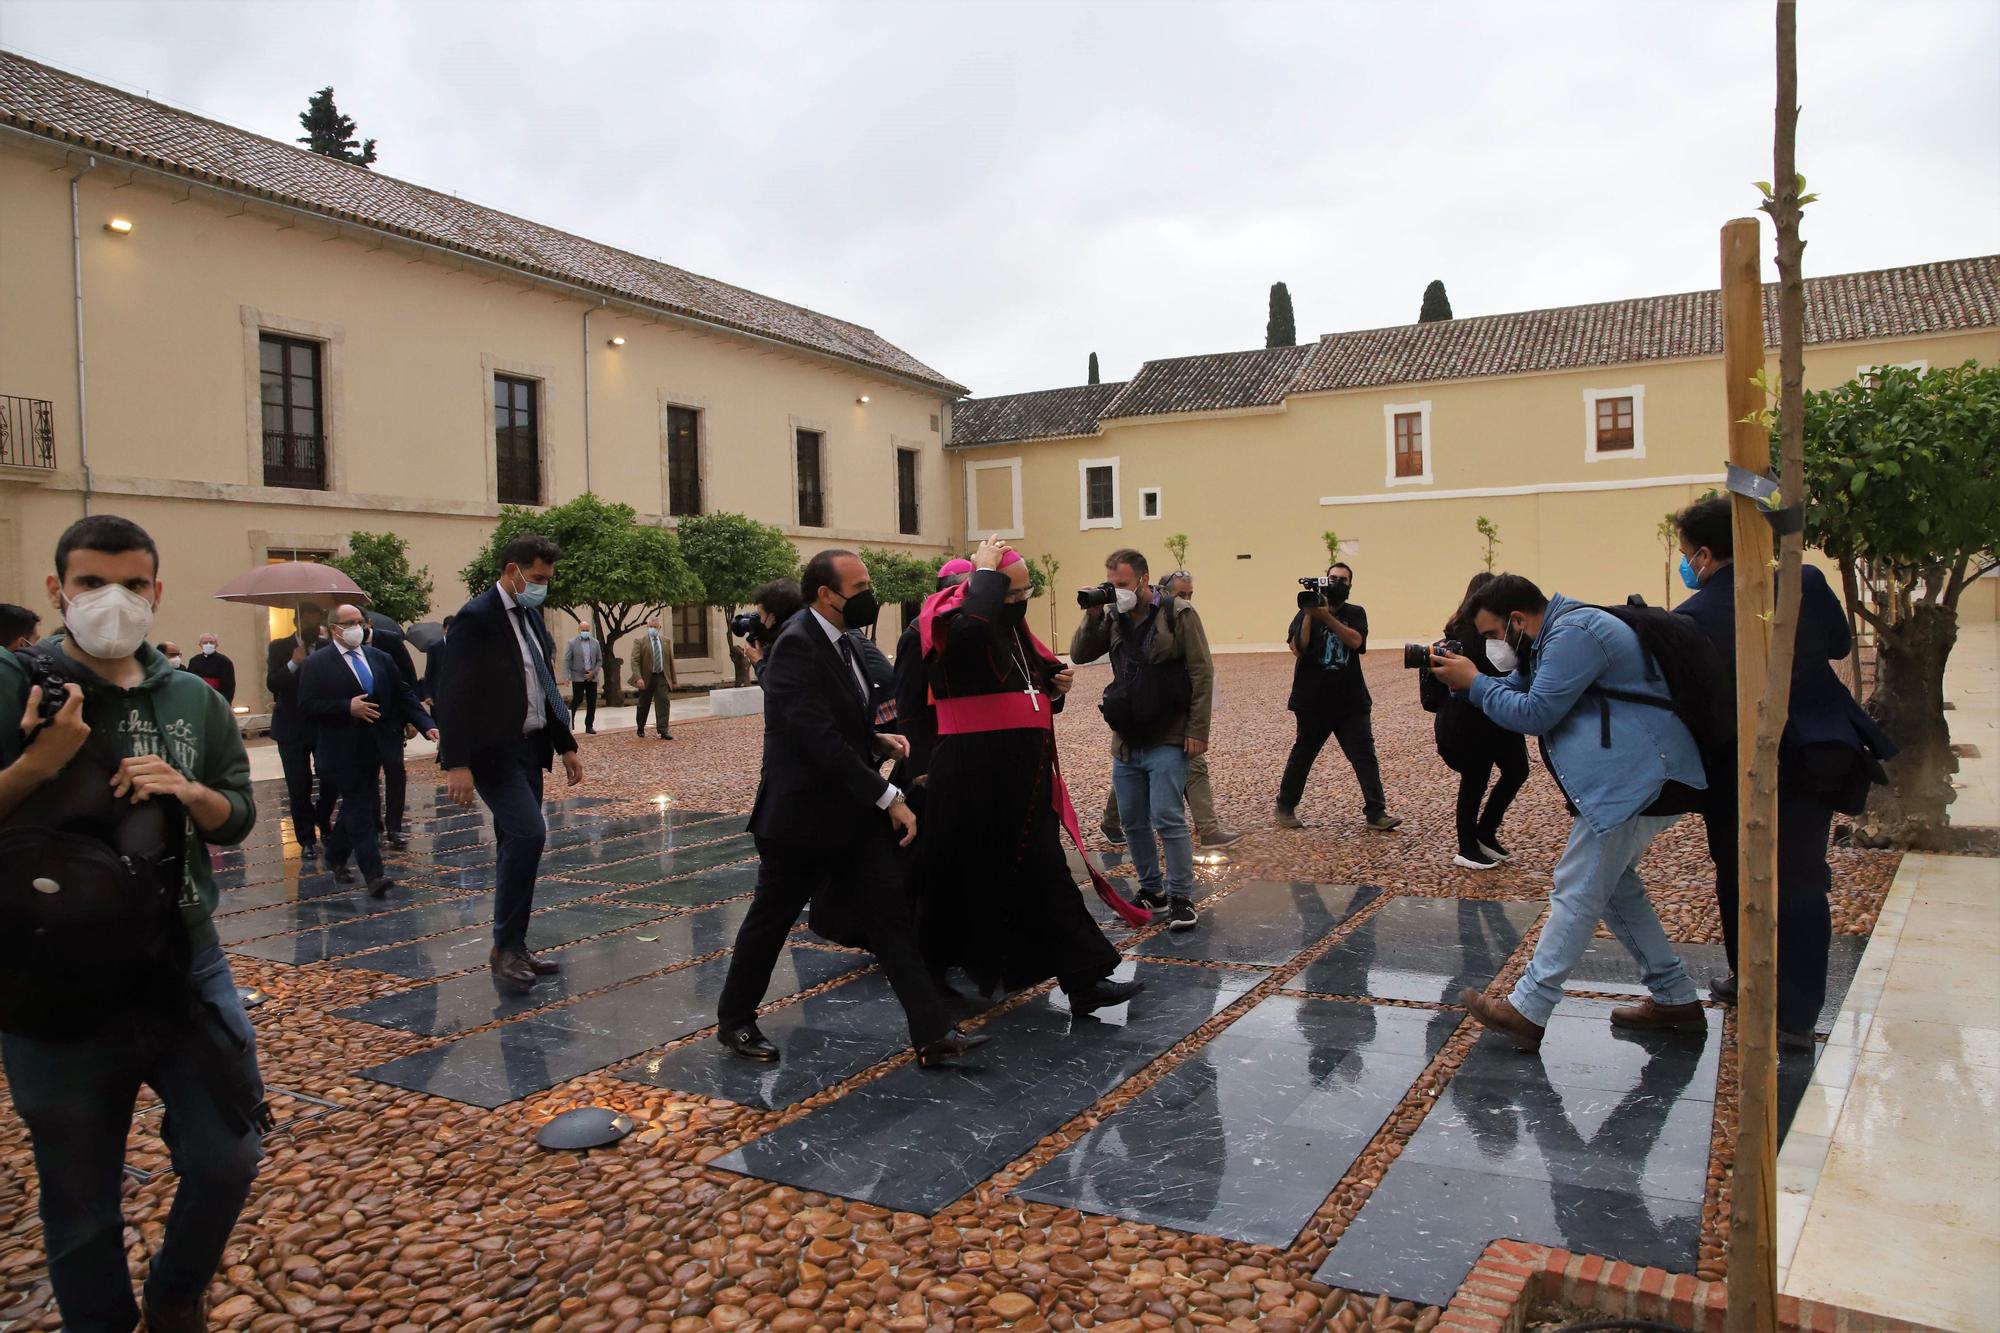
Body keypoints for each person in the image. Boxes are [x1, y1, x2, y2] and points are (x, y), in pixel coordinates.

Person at [0, 514, 262, 1333]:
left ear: (157, 590)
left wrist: (189, 792)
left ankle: (176, 1290)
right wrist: (36, 765)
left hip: (182, 958)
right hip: (53, 976)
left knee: (229, 1154)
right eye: (89, 583)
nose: (111, 600)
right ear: (57, 590)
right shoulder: (12, 684)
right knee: (80, 1202)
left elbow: (238, 815)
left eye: (132, 584)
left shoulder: (193, 697)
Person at [714, 548, 987, 1068]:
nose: (869, 597)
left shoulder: (839, 641)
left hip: (849, 816)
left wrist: (878, 739)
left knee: (890, 919)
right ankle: (735, 1020)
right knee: (770, 921)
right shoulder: (797, 644)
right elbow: (815, 737)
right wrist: (889, 796)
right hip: (801, 818)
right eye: (859, 589)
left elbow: (838, 719)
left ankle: (932, 1034)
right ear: (825, 595)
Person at [1430, 573, 1706, 1049]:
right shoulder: (1548, 639)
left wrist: (1474, 684)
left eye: (1494, 634)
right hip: (1633, 777)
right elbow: (1512, 690)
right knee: (1618, 891)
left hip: (1642, 777)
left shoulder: (1577, 634)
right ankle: (1674, 996)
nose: (1493, 644)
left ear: (1517, 620)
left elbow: (1535, 712)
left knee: (1576, 886)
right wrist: (1463, 683)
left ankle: (1529, 1007)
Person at [1672, 497, 1895, 1046]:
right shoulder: (1807, 580)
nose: (1686, 567)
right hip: (1817, 749)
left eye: (1685, 556)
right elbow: (1840, 645)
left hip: (1740, 758)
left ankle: (1759, 988)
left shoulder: (1693, 618)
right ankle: (1792, 1008)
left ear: (1704, 555)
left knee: (1739, 867)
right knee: (1798, 876)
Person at [916, 538, 1145, 1008]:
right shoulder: (952, 624)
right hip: (972, 780)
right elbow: (972, 641)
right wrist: (984, 574)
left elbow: (1022, 692)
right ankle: (928, 979)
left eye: (1026, 594)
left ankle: (1084, 980)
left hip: (1021, 776)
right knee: (953, 881)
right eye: (1013, 594)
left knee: (1047, 873)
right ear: (989, 590)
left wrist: (1053, 689)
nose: (1022, 603)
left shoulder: (1010, 629)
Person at [434, 536, 585, 992]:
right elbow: (453, 693)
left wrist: (565, 744)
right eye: (537, 578)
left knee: (514, 845)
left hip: (530, 749)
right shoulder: (476, 619)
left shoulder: (533, 619)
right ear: (512, 570)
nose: (542, 587)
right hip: (492, 754)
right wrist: (456, 762)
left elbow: (543, 685)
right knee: (528, 833)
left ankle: (514, 946)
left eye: (547, 580)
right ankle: (504, 947)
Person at [1070, 547, 1214, 930]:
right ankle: (1152, 889)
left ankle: (1181, 895)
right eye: (1112, 584)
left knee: (1167, 816)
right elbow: (1080, 654)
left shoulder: (1178, 614)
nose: (1118, 591)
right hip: (1128, 736)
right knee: (1133, 819)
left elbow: (1202, 673)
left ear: (1144, 580)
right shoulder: (1114, 616)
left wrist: (1198, 730)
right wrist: (1094, 613)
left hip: (1168, 732)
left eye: (1123, 584)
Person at [299, 604, 437, 897]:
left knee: (355, 806)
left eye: (360, 622)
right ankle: (374, 874)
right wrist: (345, 707)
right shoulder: (317, 664)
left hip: (376, 745)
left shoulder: (380, 658)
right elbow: (307, 706)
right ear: (335, 629)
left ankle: (336, 854)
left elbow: (403, 695)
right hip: (340, 749)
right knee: (361, 807)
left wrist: (426, 724)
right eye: (350, 623)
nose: (357, 627)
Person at [1100, 568, 1242, 849]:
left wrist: (1198, 722)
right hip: (1149, 707)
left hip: (1177, 708)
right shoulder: (1155, 618)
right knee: (1133, 759)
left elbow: (1201, 669)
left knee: (1189, 763)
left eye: (1191, 594)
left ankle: (1208, 828)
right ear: (1165, 591)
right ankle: (1113, 821)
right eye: (1182, 594)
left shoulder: (1183, 616)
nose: (1188, 600)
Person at [1275, 562, 1401, 832]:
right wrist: (1310, 614)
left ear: (1350, 585)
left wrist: (1327, 617)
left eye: (1343, 580)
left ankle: (1376, 813)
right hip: (1312, 701)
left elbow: (1357, 642)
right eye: (1332, 578)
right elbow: (1298, 648)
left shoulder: (1356, 612)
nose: (1336, 584)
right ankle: (1285, 806)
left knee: (1364, 756)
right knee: (1303, 755)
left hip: (1351, 702)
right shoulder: (1304, 612)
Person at [1434, 572, 1530, 869]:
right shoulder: (1462, 638)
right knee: (1475, 778)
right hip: (1468, 722)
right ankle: (1466, 846)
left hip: (1498, 718)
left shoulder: (1504, 631)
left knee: (1517, 770)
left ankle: (1485, 832)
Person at [888, 559, 973, 789]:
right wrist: (919, 764)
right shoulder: (917, 634)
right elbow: (908, 704)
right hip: (935, 749)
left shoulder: (974, 628)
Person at [267, 602, 335, 863]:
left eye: (315, 621)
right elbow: (272, 682)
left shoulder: (327, 647)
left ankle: (323, 819)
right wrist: (293, 664)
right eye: (306, 621)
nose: (311, 626)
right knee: (298, 785)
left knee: (330, 776)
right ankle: (306, 839)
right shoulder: (280, 647)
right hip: (291, 726)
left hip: (321, 723)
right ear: (297, 622)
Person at [363, 610, 422, 851]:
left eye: (359, 623)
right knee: (368, 776)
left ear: (368, 623)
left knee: (395, 771)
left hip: (391, 720)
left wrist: (412, 719)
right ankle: (375, 826)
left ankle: (394, 827)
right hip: (362, 723)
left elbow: (408, 678)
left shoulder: (389, 642)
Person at [743, 578, 806, 686]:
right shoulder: (806, 628)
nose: (761, 621)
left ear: (772, 616)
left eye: (761, 614)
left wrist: (758, 661)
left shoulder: (790, 641)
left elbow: (774, 688)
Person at [629, 613, 674, 739]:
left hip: (661, 676)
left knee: (663, 702)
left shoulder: (665, 641)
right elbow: (635, 661)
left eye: (655, 627)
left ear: (659, 628)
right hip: (646, 677)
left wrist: (673, 679)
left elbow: (669, 661)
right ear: (647, 627)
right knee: (644, 703)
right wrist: (638, 677)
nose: (653, 629)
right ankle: (640, 727)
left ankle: (663, 730)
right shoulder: (640, 641)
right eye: (651, 626)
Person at [564, 623, 602, 735]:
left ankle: (589, 725)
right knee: (578, 698)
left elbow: (599, 660)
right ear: (579, 630)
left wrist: (593, 672)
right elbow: (567, 660)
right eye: (583, 629)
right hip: (578, 675)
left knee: (592, 701)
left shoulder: (595, 643)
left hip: (591, 675)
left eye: (587, 629)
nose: (585, 631)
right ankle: (570, 722)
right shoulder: (572, 643)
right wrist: (567, 676)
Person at [190, 632, 236, 704]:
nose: (208, 645)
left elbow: (229, 686)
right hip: (199, 700)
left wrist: (224, 703)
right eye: (205, 643)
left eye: (211, 642)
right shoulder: (194, 661)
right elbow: (191, 683)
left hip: (218, 700)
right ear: (200, 645)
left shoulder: (224, 661)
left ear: (216, 645)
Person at [421, 614, 454, 710]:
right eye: (449, 629)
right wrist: (428, 695)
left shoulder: (460, 646)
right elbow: (429, 672)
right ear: (444, 629)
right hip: (438, 694)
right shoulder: (434, 648)